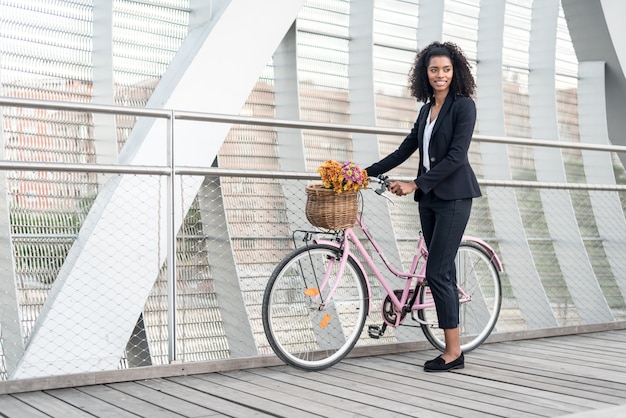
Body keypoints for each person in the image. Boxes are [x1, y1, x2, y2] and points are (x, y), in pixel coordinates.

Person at [364, 41, 481, 372]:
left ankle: (454, 352)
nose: (440, 75)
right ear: (424, 74)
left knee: (437, 272)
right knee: (443, 269)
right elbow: (405, 150)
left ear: (454, 71)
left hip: (455, 197)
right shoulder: (426, 110)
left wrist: (415, 183)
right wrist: (364, 172)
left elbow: (456, 157)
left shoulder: (463, 107)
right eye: (434, 70)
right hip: (429, 200)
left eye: (445, 69)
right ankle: (452, 344)